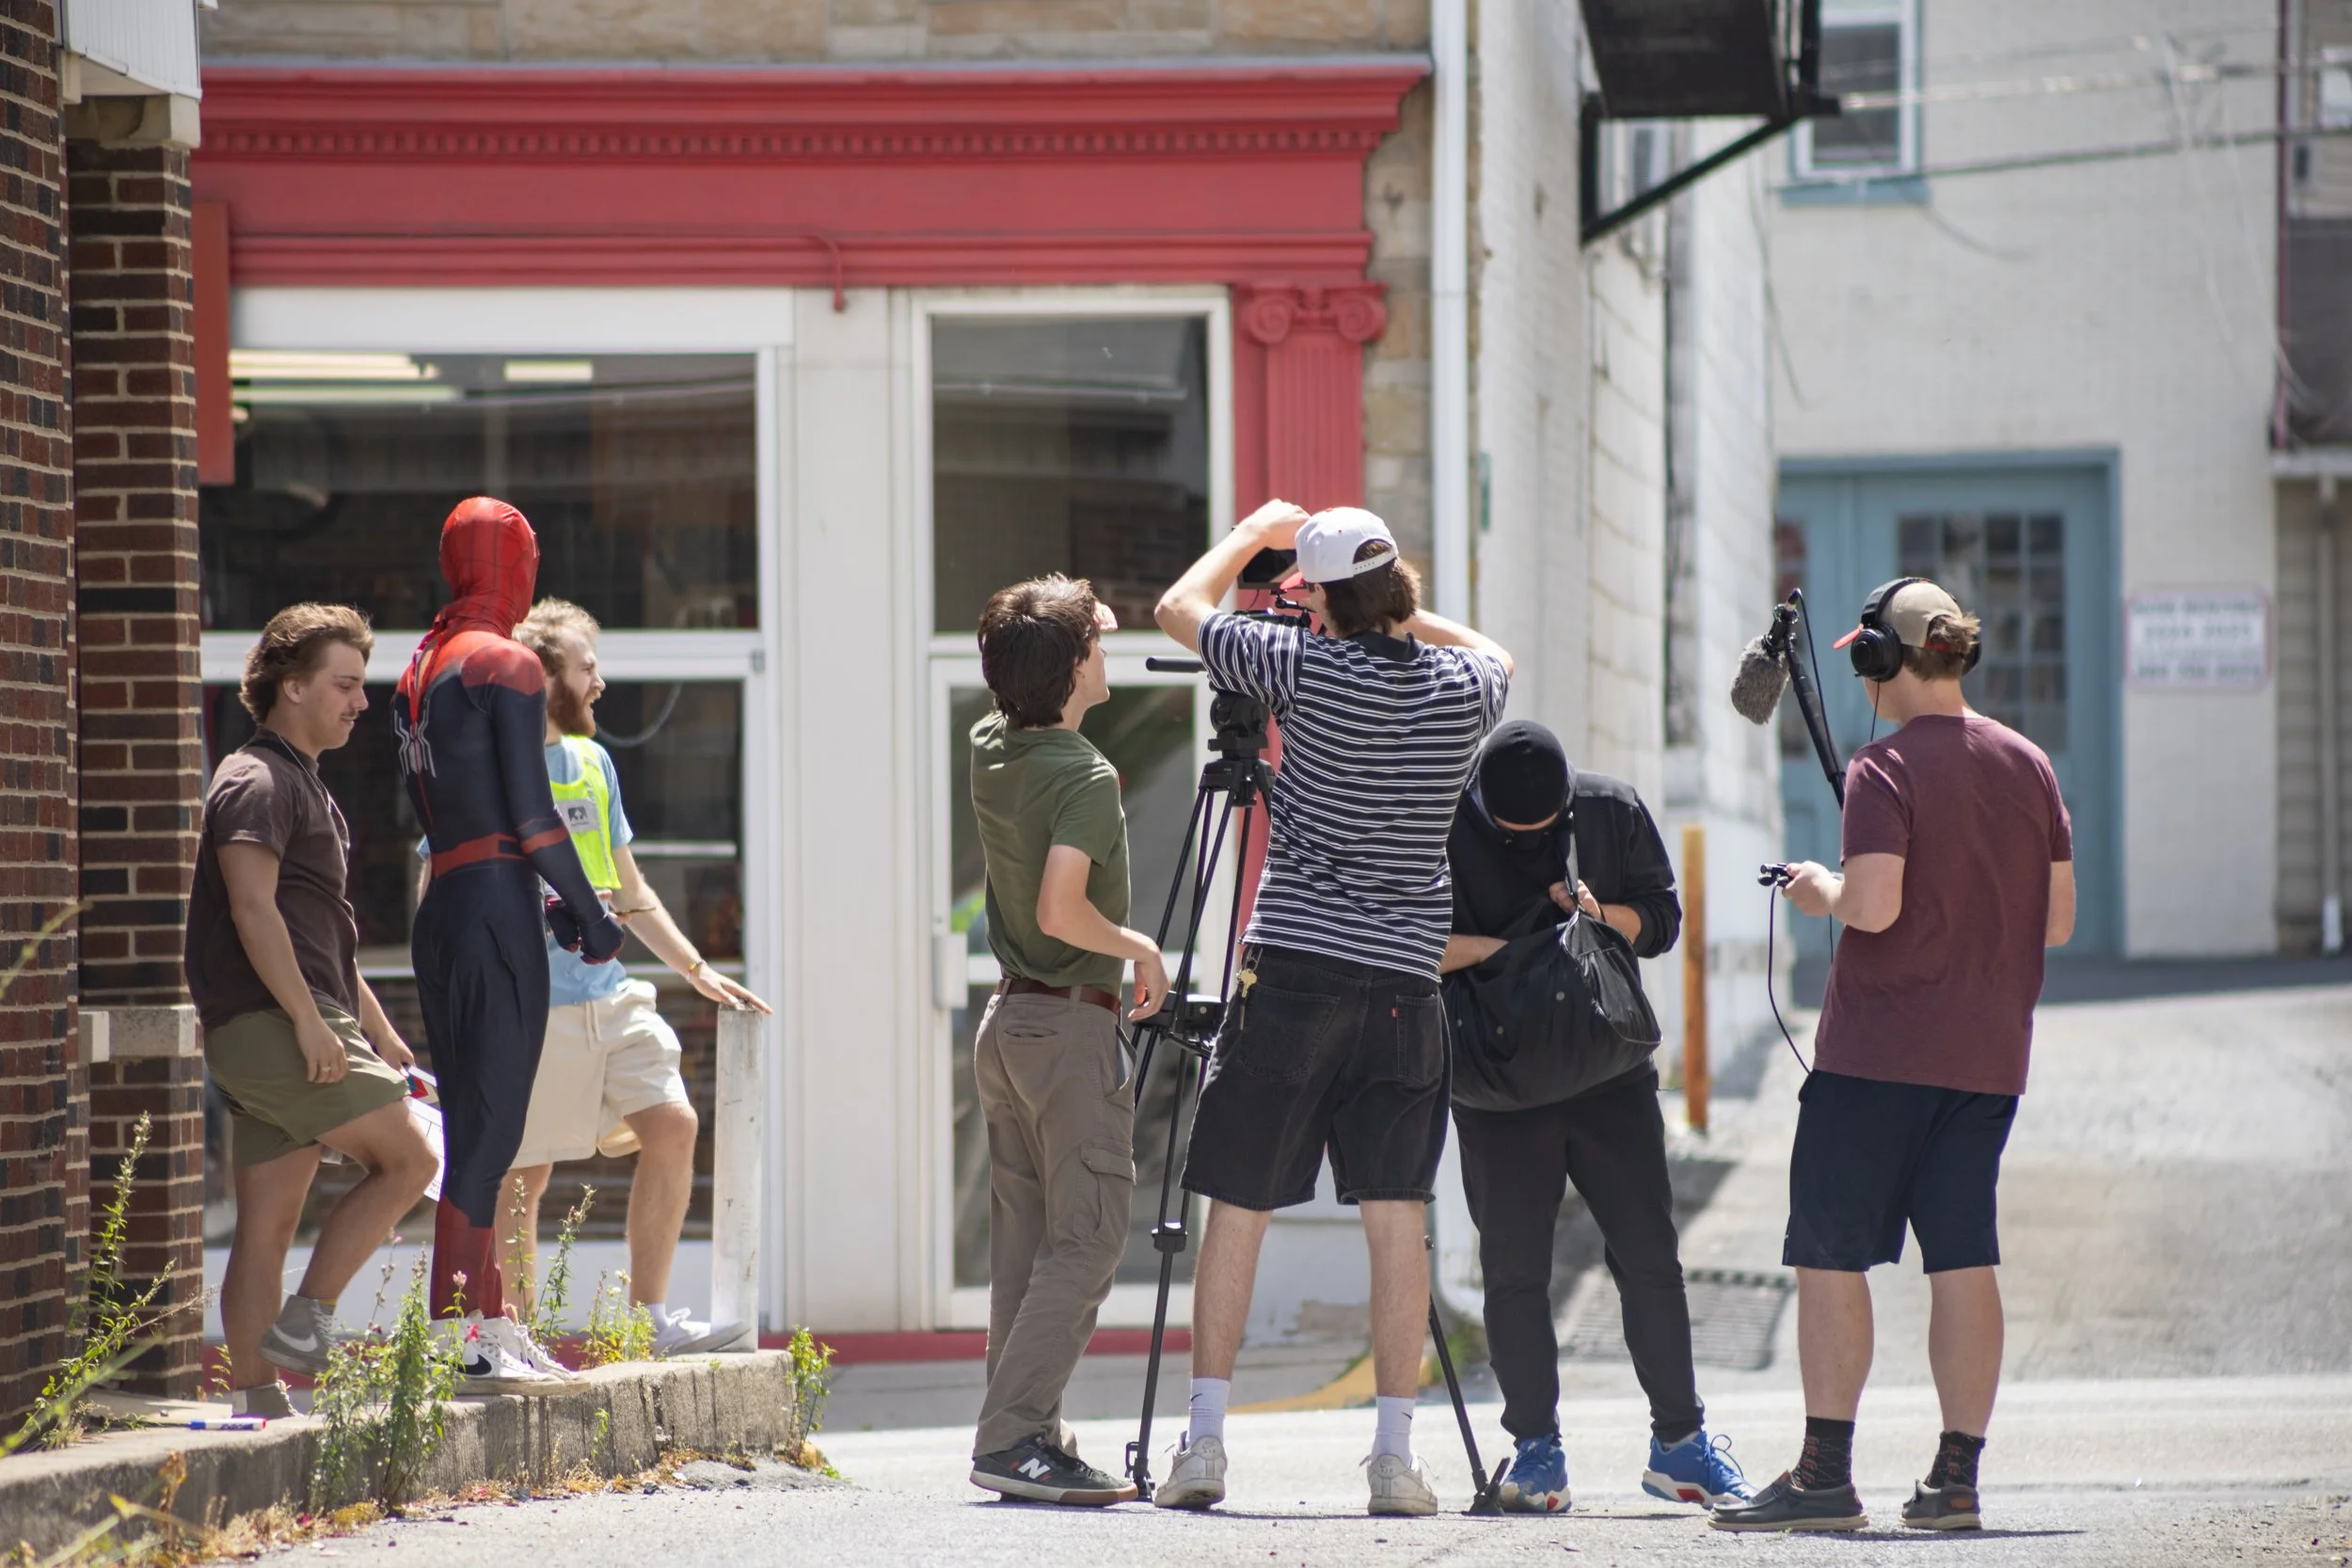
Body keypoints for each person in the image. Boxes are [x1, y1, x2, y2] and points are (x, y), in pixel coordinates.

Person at [1151, 501, 1512, 1517]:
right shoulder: (1463, 686)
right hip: (1404, 985)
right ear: (1397, 584)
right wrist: (1393, 610)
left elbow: (1178, 607)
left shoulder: (1299, 665)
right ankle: (1394, 1457)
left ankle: (1205, 1440)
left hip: (1296, 967)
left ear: (1317, 601)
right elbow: (1496, 651)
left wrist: (1251, 534)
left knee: (1240, 1201)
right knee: (1396, 1218)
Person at [1710, 578, 2074, 1535]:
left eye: (1861, 659)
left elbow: (1872, 905)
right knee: (1963, 1255)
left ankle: (1824, 1473)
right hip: (1988, 1059)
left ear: (1883, 659)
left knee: (1830, 1254)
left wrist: (1819, 887)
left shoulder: (1884, 767)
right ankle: (1955, 1480)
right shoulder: (2032, 763)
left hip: (1877, 1055)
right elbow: (2059, 919)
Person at [1440, 720, 1754, 1514]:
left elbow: (1663, 920)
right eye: (1512, 831)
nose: (1529, 840)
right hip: (1498, 1088)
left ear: (1567, 802)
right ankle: (1536, 1450)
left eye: (1544, 828)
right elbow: (1412, 944)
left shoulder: (1610, 809)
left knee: (1650, 1256)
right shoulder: (1440, 822)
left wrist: (1597, 911)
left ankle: (1680, 1444)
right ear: (1481, 804)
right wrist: (1504, 951)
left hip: (1608, 1072)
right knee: (1514, 1273)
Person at [479, 598, 772, 1358]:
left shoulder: (593, 762)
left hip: (609, 996)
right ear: (545, 677)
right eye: (588, 667)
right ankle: (519, 1339)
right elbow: (437, 889)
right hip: (530, 1012)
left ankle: (648, 1321)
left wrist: (697, 969)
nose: (601, 681)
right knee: (524, 1177)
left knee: (674, 1123)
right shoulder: (485, 767)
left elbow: (632, 892)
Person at [395, 497, 625, 1389]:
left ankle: (487, 1321)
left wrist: (548, 899)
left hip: (446, 907)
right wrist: (592, 917)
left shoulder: (419, 669)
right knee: (491, 1135)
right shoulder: (508, 662)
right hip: (497, 906)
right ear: (514, 564)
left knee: (474, 1123)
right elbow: (533, 818)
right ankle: (461, 1334)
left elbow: (467, 810)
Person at [187, 605, 439, 1418]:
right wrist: (307, 1022)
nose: (361, 702)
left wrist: (381, 1033)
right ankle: (310, 1318)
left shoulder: (304, 784)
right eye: (345, 683)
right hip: (275, 1025)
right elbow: (252, 909)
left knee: (267, 1225)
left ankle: (258, 1403)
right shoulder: (257, 780)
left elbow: (323, 934)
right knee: (410, 1160)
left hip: (285, 1022)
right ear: (291, 686)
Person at [962, 576, 1167, 1507]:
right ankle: (1012, 1435)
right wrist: (1139, 946)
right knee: (1087, 1241)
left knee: (1026, 1250)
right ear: (1076, 664)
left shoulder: (992, 744)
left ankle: (1027, 1434)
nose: (1108, 645)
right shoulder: (1083, 774)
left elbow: (1024, 664)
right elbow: (1060, 909)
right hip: (1068, 1029)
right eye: (1098, 639)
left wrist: (1065, 624)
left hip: (1009, 1025)